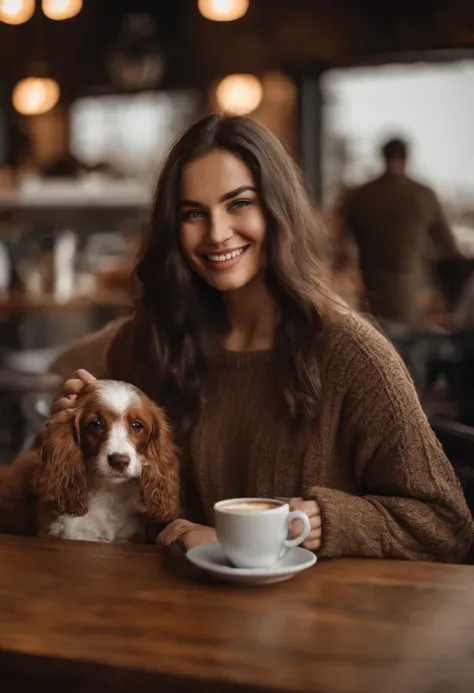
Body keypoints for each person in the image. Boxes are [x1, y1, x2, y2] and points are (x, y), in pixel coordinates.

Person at [46, 115, 472, 562]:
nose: (216, 233)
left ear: (277, 208)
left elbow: (446, 524)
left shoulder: (353, 354)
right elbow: (112, 497)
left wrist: (324, 522)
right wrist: (74, 430)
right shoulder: (148, 341)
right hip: (165, 610)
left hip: (316, 621)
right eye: (193, 213)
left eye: (239, 204)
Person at [340, 138, 459, 330]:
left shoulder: (358, 196)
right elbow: (449, 247)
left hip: (370, 301)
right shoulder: (423, 195)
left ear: (383, 157)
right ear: (406, 158)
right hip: (411, 301)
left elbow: (340, 248)